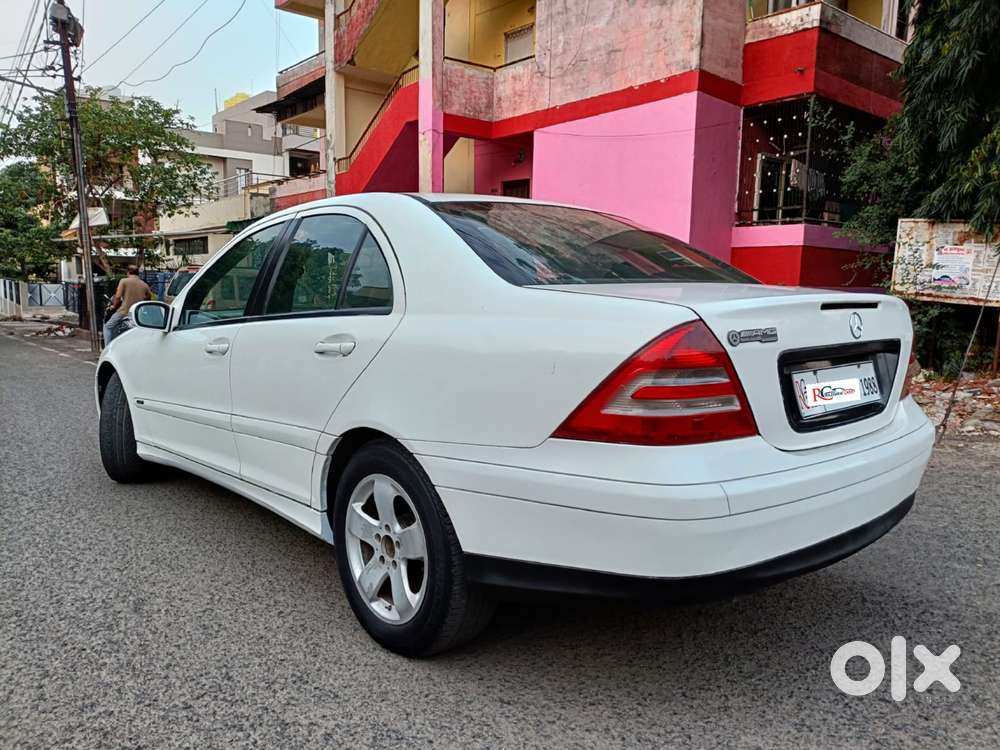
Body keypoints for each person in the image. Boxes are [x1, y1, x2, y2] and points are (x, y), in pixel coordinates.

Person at [103, 265, 151, 344]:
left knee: (107, 327)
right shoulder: (144, 285)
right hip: (138, 314)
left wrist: (113, 306)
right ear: (138, 273)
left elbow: (118, 297)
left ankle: (107, 349)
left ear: (128, 272)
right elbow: (148, 298)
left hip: (124, 311)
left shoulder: (124, 281)